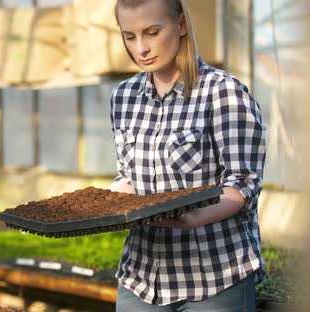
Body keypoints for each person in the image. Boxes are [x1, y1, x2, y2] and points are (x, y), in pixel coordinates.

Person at [107, 0, 266, 311]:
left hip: (214, 277)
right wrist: (93, 206)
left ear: (181, 25)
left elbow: (243, 184)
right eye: (130, 36)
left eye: (152, 32)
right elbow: (129, 177)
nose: (141, 48)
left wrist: (191, 218)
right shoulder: (123, 98)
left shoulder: (224, 93)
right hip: (141, 278)